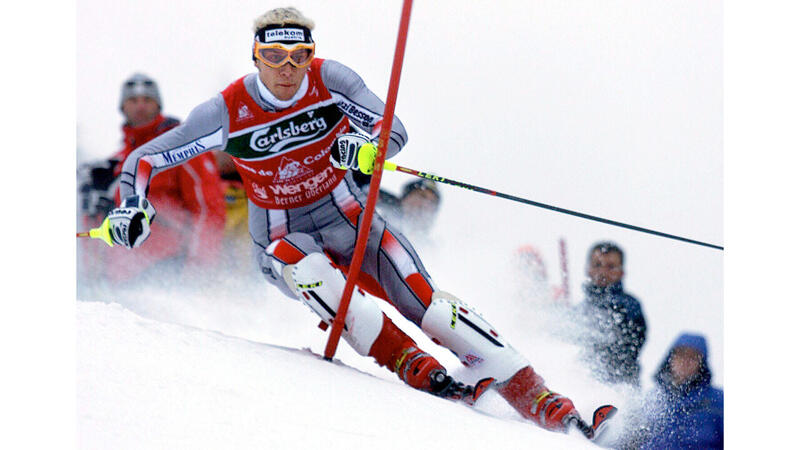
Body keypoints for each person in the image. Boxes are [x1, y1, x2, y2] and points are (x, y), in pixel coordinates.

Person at [97, 7, 587, 433]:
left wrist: (369, 149)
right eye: (273, 58)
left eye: (298, 57)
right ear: (256, 57)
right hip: (281, 233)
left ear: (311, 54)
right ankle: (413, 364)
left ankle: (542, 398)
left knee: (428, 305)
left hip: (348, 216)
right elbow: (145, 160)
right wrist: (129, 205)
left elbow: (393, 127)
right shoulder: (228, 109)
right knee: (313, 274)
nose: (287, 70)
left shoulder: (331, 81)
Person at [78, 73, 226, 286]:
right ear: (123, 107)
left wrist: (200, 268)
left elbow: (208, 209)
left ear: (158, 106)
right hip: (121, 277)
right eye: (133, 100)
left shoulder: (181, 149)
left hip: (171, 266)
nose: (140, 106)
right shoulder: (115, 164)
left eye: (147, 100)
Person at [623, 333, 723, 449]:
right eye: (680, 355)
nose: (685, 362)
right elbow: (630, 441)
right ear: (670, 358)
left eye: (692, 357)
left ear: (702, 364)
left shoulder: (719, 402)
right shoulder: (651, 401)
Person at [575, 241, 647, 386]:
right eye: (597, 265)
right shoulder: (579, 310)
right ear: (588, 269)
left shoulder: (629, 307)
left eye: (611, 267)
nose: (602, 272)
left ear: (621, 272)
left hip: (619, 386)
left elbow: (631, 342)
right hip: (583, 384)